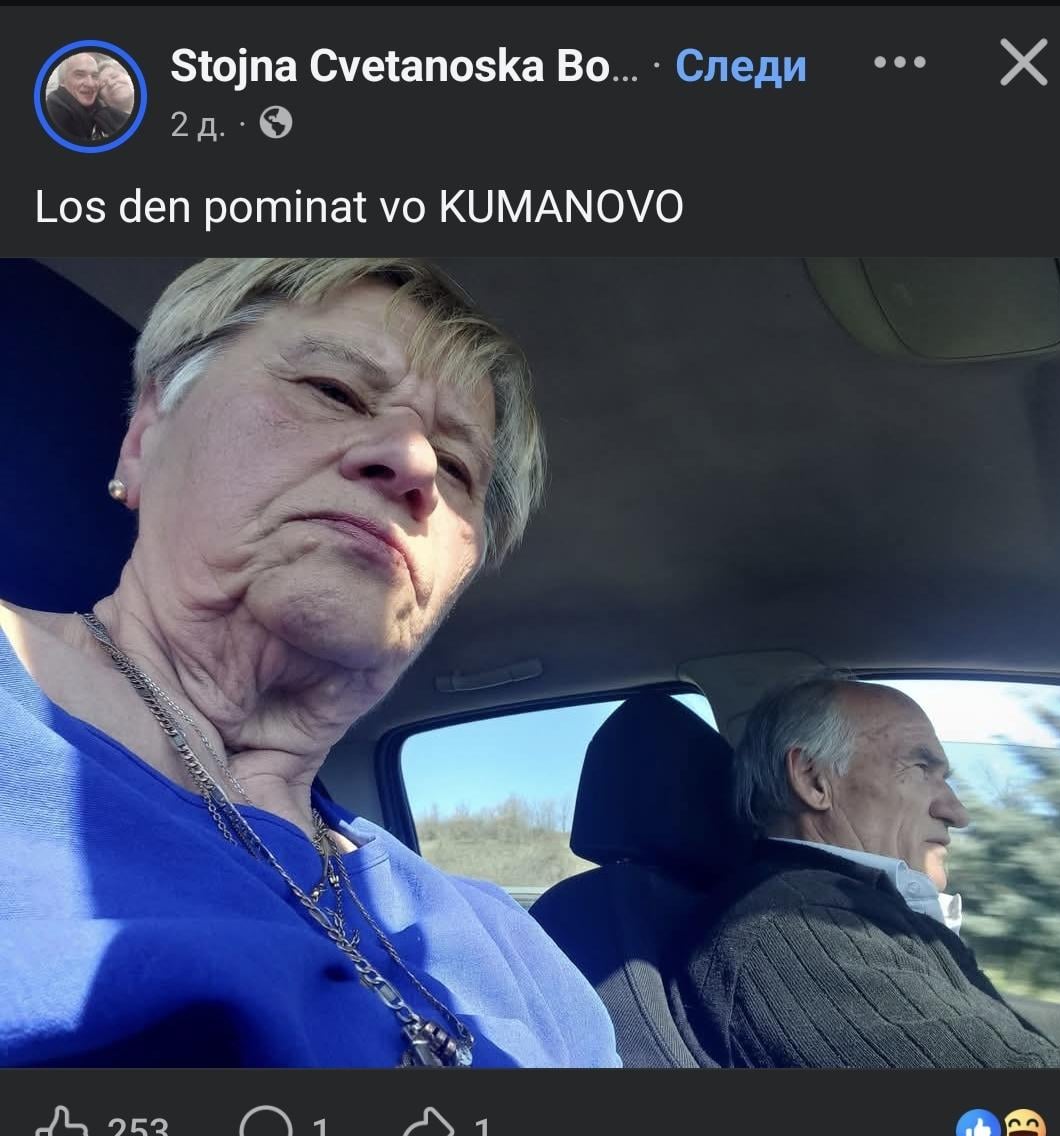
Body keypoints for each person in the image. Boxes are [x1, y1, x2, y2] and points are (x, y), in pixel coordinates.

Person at [0, 257, 619, 1069]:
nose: (416, 464)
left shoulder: (519, 953)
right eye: (334, 390)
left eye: (458, 468)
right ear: (147, 435)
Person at [669, 676, 1060, 1068]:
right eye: (920, 768)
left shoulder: (854, 913)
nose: (958, 813)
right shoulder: (793, 929)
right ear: (813, 780)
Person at [45, 52, 127, 144]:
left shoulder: (100, 112)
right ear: (62, 81)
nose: (90, 84)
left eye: (94, 76)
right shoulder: (54, 117)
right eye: (79, 75)